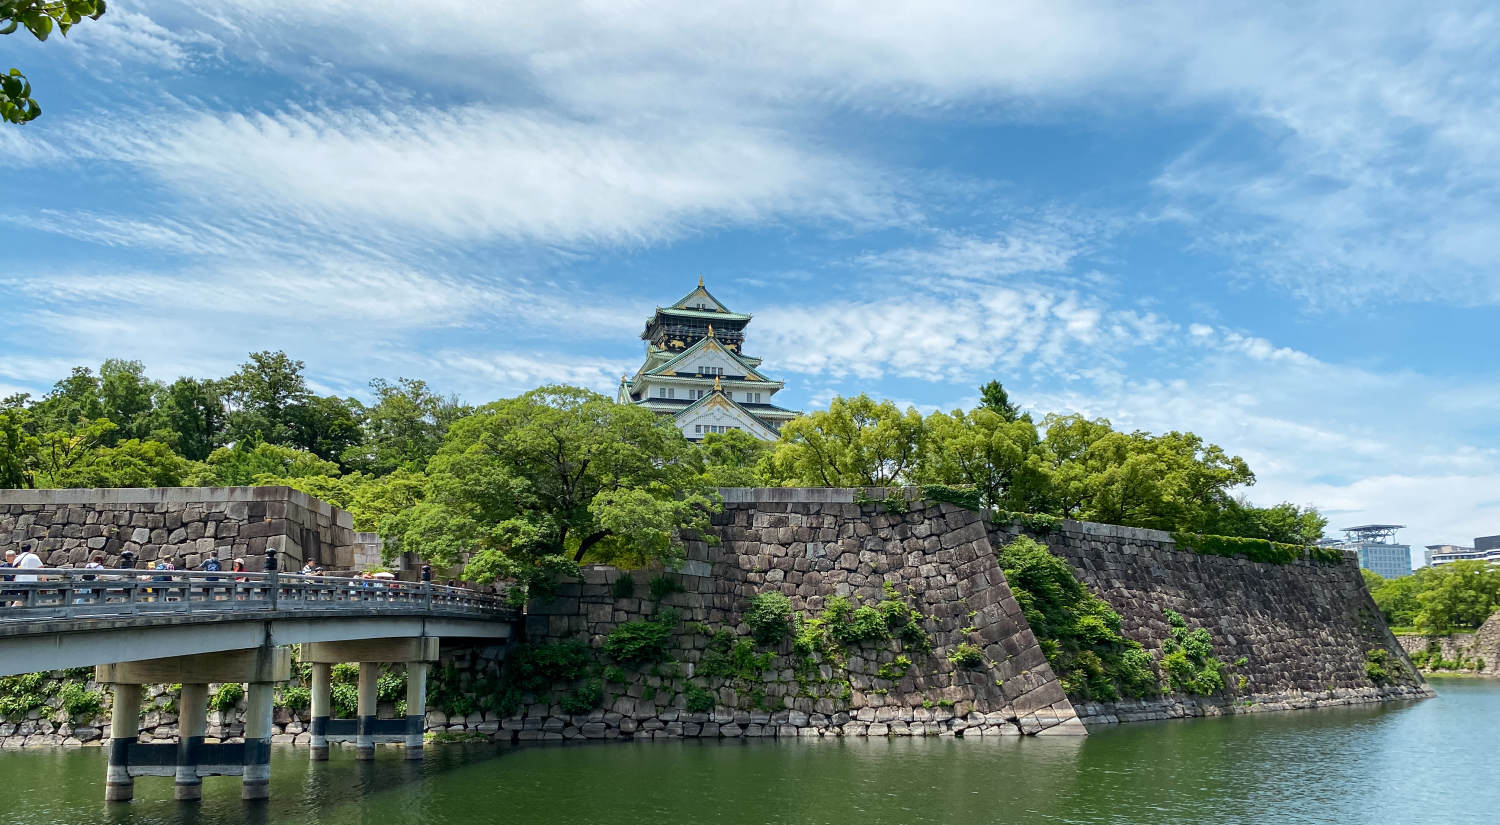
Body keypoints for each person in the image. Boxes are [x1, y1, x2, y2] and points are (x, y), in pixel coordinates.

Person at [13, 542, 43, 606]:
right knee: (28, 597)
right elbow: (41, 567)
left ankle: (14, 609)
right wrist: (44, 577)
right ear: (30, 549)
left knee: (22, 596)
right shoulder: (33, 556)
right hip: (30, 581)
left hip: (19, 580)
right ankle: (14, 610)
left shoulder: (18, 558)